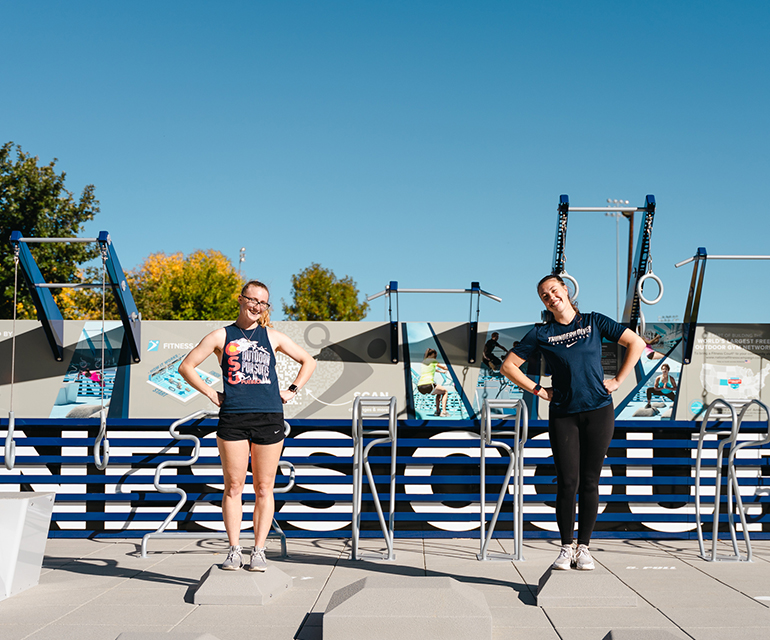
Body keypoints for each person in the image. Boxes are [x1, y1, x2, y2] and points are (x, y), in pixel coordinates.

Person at [500, 275, 644, 571]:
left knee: (590, 481)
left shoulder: (593, 322)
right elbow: (508, 365)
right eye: (544, 295)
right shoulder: (542, 332)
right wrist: (539, 391)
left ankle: (584, 549)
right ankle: (566, 548)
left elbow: (636, 343)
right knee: (568, 482)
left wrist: (618, 380)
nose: (550, 297)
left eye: (554, 290)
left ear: (566, 290)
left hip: (598, 411)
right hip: (564, 414)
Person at [179, 280, 316, 572]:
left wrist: (292, 390)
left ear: (266, 307)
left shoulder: (273, 336)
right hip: (234, 417)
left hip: (269, 416)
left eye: (263, 303)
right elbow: (186, 366)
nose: (257, 306)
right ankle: (234, 550)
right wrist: (211, 393)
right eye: (252, 300)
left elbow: (308, 361)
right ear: (241, 300)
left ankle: (259, 551)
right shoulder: (221, 335)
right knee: (234, 486)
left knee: (265, 487)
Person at [416, 348, 450, 416]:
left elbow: (433, 369)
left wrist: (441, 372)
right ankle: (444, 411)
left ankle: (437, 411)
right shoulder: (433, 361)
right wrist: (451, 367)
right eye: (434, 356)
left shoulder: (423, 362)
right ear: (432, 354)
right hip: (428, 385)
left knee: (439, 392)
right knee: (445, 391)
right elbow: (445, 367)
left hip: (420, 386)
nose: (435, 357)